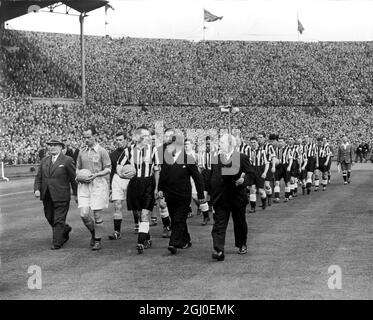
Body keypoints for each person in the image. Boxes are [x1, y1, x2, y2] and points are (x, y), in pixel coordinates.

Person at [158, 133, 206, 255]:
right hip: (170, 194)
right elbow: (163, 175)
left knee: (178, 219)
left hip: (183, 195)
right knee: (176, 218)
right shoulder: (167, 158)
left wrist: (200, 195)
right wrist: (160, 189)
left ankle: (173, 243)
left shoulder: (189, 159)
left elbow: (198, 178)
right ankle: (186, 240)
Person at [209, 134, 252, 261]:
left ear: (230, 144)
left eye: (222, 142)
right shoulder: (216, 159)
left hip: (237, 196)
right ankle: (219, 250)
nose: (220, 144)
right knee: (219, 224)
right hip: (221, 198)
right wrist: (208, 192)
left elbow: (251, 174)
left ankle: (241, 244)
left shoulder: (241, 157)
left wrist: (243, 180)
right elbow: (213, 177)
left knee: (239, 222)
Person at [34, 137, 77, 250]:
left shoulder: (67, 160)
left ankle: (57, 242)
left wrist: (76, 194)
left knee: (58, 219)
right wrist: (37, 189)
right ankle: (65, 229)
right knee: (49, 217)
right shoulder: (44, 160)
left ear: (61, 147)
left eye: (55, 145)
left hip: (61, 195)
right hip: (47, 195)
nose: (52, 147)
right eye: (50, 145)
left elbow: (74, 179)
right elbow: (39, 177)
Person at [76, 126, 111, 251]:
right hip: (84, 185)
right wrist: (79, 176)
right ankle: (93, 233)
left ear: (95, 136)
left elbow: (108, 168)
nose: (86, 140)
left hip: (98, 184)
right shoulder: (81, 152)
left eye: (89, 137)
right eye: (84, 137)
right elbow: (77, 168)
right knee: (84, 214)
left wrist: (96, 174)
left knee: (97, 215)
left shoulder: (102, 151)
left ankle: (97, 240)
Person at [126, 126, 160, 254]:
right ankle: (147, 237)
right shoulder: (129, 150)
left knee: (145, 214)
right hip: (135, 184)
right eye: (147, 136)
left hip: (148, 183)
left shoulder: (153, 150)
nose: (149, 138)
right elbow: (118, 166)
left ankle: (140, 242)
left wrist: (157, 187)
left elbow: (157, 170)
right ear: (139, 137)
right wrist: (123, 174)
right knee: (139, 214)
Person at [108, 132, 129, 240]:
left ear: (126, 140)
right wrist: (110, 188)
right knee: (117, 205)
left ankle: (138, 226)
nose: (118, 142)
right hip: (117, 179)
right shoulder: (112, 155)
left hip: (130, 180)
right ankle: (117, 231)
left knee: (135, 207)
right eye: (117, 140)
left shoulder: (132, 153)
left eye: (121, 140)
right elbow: (111, 172)